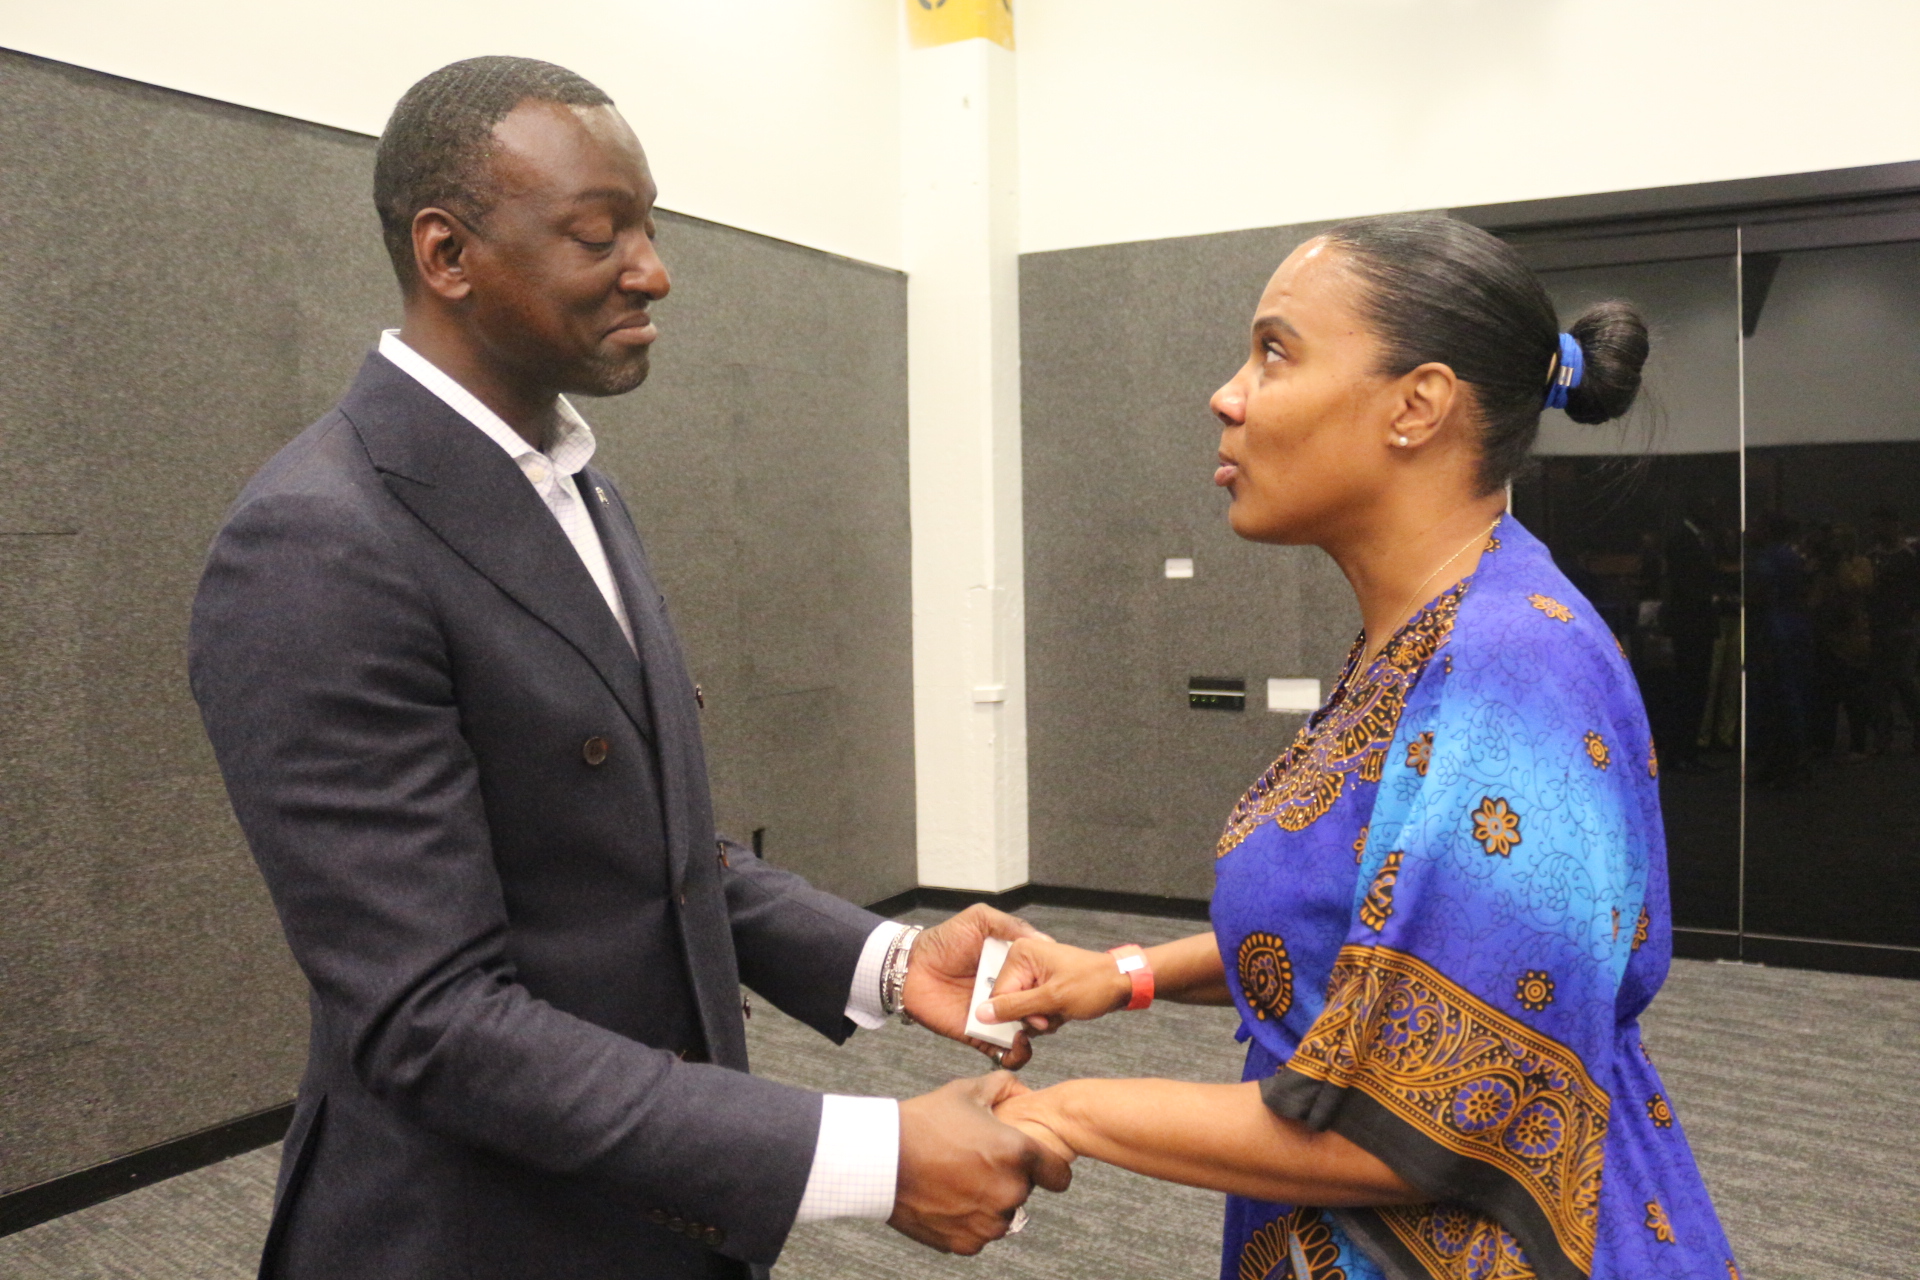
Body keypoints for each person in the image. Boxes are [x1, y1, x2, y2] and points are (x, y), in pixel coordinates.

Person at [188, 57, 1066, 1280]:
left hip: (648, 1210)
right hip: (475, 1237)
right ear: (447, 254)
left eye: (648, 227)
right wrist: (872, 1155)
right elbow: (428, 1018)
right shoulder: (319, 539)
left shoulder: (576, 485)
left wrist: (889, 960)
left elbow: (645, 848)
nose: (654, 270)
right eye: (600, 234)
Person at [982, 214, 1742, 1280]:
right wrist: (1119, 975)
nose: (1227, 395)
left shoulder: (1509, 663)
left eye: (1274, 352)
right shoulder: (1422, 631)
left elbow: (1426, 1121)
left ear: (1416, 406)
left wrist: (1059, 1112)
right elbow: (1366, 930)